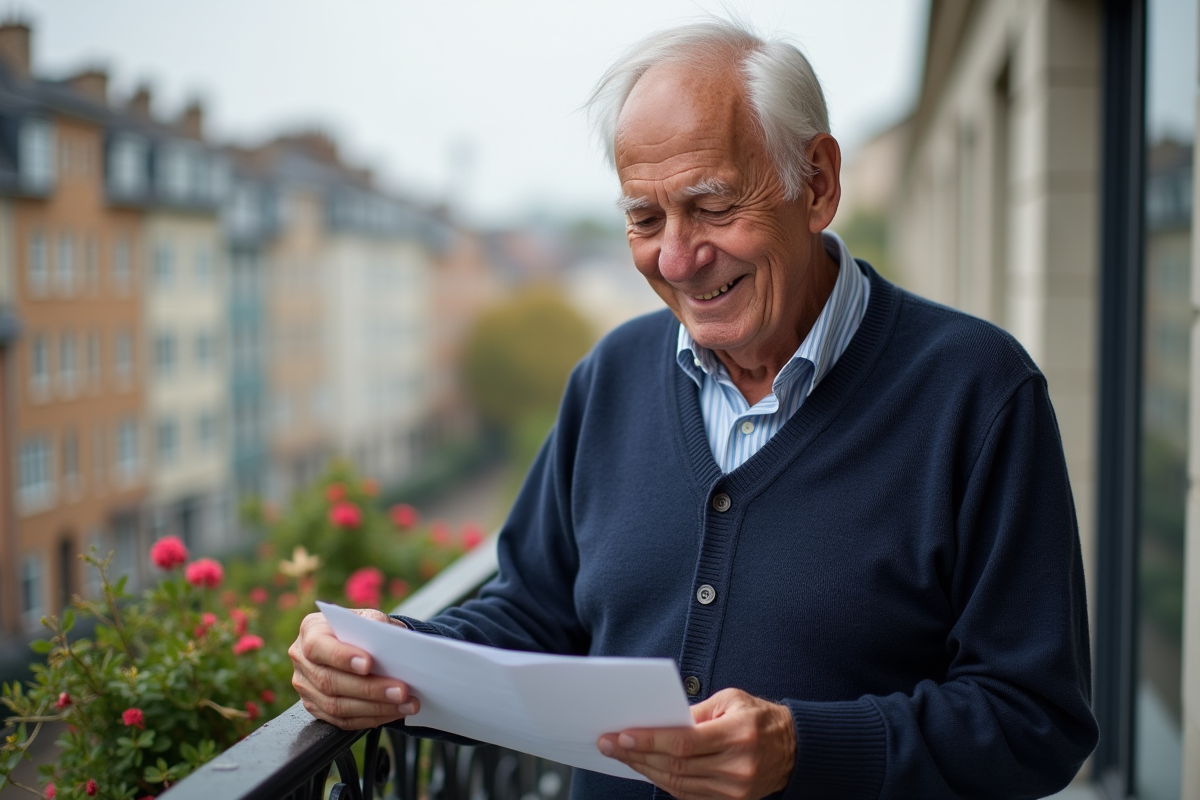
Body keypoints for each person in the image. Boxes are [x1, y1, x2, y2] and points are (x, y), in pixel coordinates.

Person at [290, 20, 1099, 800]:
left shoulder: (979, 390)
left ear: (816, 184)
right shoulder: (610, 375)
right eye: (644, 220)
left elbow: (1035, 720)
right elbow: (536, 612)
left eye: (712, 207)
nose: (677, 258)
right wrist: (393, 652)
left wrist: (802, 748)